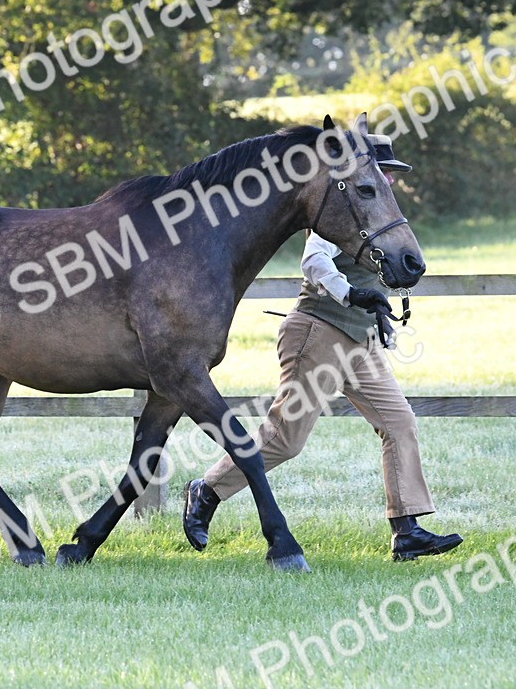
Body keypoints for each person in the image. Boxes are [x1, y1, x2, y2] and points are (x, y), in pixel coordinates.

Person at [182, 132, 462, 562]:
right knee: (286, 439)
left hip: (360, 339)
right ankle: (206, 491)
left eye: (390, 173)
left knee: (400, 423)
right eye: (384, 172)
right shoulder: (342, 211)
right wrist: (350, 294)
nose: (388, 179)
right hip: (319, 333)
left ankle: (407, 531)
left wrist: (377, 317)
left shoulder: (379, 213)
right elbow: (313, 262)